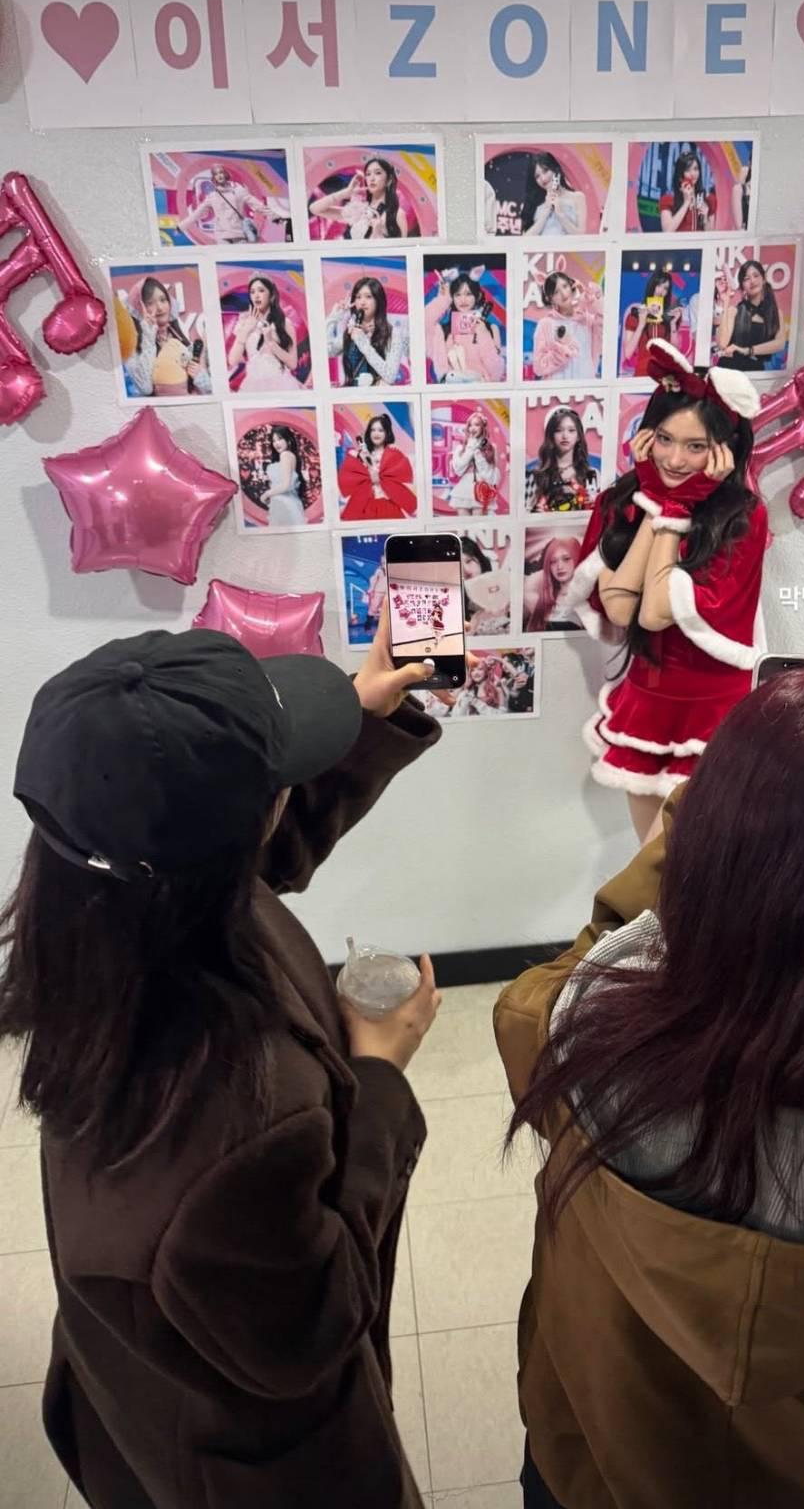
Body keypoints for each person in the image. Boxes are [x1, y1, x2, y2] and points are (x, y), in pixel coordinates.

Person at [495, 665, 804, 1509]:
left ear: (709, 854)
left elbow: (535, 999)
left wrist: (701, 821)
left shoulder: (586, 1032)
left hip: (601, 1466)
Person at [0, 617, 448, 1509]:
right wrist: (381, 1077)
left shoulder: (97, 914)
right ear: (260, 814)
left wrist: (355, 723)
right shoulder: (242, 1118)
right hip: (254, 1469)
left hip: (138, 1379)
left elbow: (239, 852)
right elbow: (314, 1322)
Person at [568, 340, 765, 843]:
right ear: (646, 437)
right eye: (665, 439)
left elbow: (656, 612)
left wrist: (675, 512)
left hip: (714, 706)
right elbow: (620, 608)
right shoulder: (623, 503)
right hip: (648, 697)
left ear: (725, 451)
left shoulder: (742, 517)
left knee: (686, 860)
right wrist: (656, 504)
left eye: (696, 447)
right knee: (649, 863)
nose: (675, 459)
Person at [123, 276, 211, 399]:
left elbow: (210, 390)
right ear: (139, 309)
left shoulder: (179, 340)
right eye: (150, 303)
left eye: (163, 300)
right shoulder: (132, 349)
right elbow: (145, 388)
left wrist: (200, 377)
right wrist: (148, 335)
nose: (160, 307)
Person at [426, 270, 506, 384]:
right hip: (453, 392)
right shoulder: (443, 331)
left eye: (468, 294)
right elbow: (422, 323)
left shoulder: (491, 329)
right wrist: (443, 299)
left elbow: (496, 373)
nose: (463, 300)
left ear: (477, 296)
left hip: (481, 391)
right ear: (452, 297)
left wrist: (483, 335)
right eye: (457, 295)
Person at [326, 276, 407, 388]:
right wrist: (334, 316)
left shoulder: (392, 334)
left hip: (378, 397)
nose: (362, 302)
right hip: (352, 397)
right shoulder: (351, 332)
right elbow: (326, 351)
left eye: (368, 297)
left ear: (378, 300)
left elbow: (390, 376)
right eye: (358, 297)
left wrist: (363, 342)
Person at [226, 275, 302, 393]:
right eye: (252, 292)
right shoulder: (244, 321)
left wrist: (271, 343)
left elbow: (293, 364)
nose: (256, 295)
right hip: (253, 386)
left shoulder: (285, 323)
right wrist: (246, 330)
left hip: (281, 384)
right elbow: (232, 361)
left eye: (261, 290)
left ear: (271, 296)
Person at [309, 157, 417, 241]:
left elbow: (401, 253)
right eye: (368, 174)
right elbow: (315, 209)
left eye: (378, 173)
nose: (372, 178)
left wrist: (377, 233)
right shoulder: (358, 211)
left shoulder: (397, 214)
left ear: (388, 180)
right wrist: (345, 193)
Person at [180, 163, 287, 246]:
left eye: (221, 173)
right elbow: (197, 213)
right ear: (214, 178)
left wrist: (276, 218)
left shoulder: (239, 190)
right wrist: (181, 226)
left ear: (226, 174)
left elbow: (257, 205)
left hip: (239, 234)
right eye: (216, 174)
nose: (219, 176)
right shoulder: (212, 196)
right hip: (222, 237)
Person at [338, 412, 417, 522]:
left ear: (387, 433)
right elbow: (352, 477)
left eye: (380, 430)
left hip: (388, 505)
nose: (376, 433)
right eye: (373, 430)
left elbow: (399, 479)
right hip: (365, 506)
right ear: (369, 433)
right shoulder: (361, 454)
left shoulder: (393, 454)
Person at [531, 271, 603, 383]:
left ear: (571, 286)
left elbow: (605, 323)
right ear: (550, 298)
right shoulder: (545, 324)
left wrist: (590, 298)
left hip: (585, 390)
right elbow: (539, 367)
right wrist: (562, 351)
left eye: (565, 286)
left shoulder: (587, 320)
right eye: (556, 292)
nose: (564, 294)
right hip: (557, 391)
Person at [716, 259, 786, 372]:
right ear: (742, 286)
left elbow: (780, 343)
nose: (752, 281)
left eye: (756, 276)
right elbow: (723, 344)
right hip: (729, 372)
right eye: (746, 279)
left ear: (764, 279)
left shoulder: (776, 313)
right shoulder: (734, 311)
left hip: (756, 372)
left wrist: (748, 350)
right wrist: (726, 301)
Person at [525, 408, 600, 515]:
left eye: (571, 430)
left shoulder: (591, 474)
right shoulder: (535, 477)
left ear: (578, 436)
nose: (565, 436)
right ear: (551, 436)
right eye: (558, 430)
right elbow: (524, 516)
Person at [621, 269, 688, 377]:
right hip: (642, 374)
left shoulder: (668, 317)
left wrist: (673, 324)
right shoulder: (635, 315)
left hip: (664, 376)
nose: (661, 291)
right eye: (659, 285)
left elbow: (675, 351)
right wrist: (641, 324)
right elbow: (628, 353)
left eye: (665, 288)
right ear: (652, 285)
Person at [448, 411, 502, 517]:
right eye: (470, 425)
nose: (473, 428)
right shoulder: (461, 449)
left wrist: (478, 452)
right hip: (464, 490)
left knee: (478, 525)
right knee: (464, 525)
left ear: (483, 427)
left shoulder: (491, 448)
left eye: (477, 424)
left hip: (482, 488)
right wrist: (470, 448)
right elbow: (459, 470)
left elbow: (490, 477)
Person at [521, 153, 588, 237]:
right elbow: (525, 240)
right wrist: (546, 212)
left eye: (545, 171)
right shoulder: (535, 203)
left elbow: (581, 236)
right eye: (537, 176)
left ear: (555, 169)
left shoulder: (577, 197)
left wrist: (560, 214)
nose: (543, 179)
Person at [524, 537, 582, 632]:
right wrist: (547, 572)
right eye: (553, 562)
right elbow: (527, 586)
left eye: (566, 559)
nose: (559, 566)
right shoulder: (541, 600)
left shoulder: (587, 600)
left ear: (578, 558)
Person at [259, 424, 307, 527]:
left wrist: (266, 494)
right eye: (274, 441)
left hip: (285, 505)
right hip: (285, 503)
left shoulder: (285, 455)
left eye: (280, 439)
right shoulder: (290, 456)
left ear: (288, 440)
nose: (276, 443)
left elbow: (285, 485)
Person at [460, 535, 510, 635]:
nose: (466, 570)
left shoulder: (502, 587)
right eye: (459, 566)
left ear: (479, 560)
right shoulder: (454, 607)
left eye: (469, 561)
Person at [659, 149, 716, 234]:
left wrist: (705, 218)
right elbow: (667, 231)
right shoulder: (668, 200)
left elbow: (711, 234)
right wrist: (686, 203)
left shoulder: (706, 199)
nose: (693, 174)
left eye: (695, 169)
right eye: (688, 170)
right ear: (680, 174)